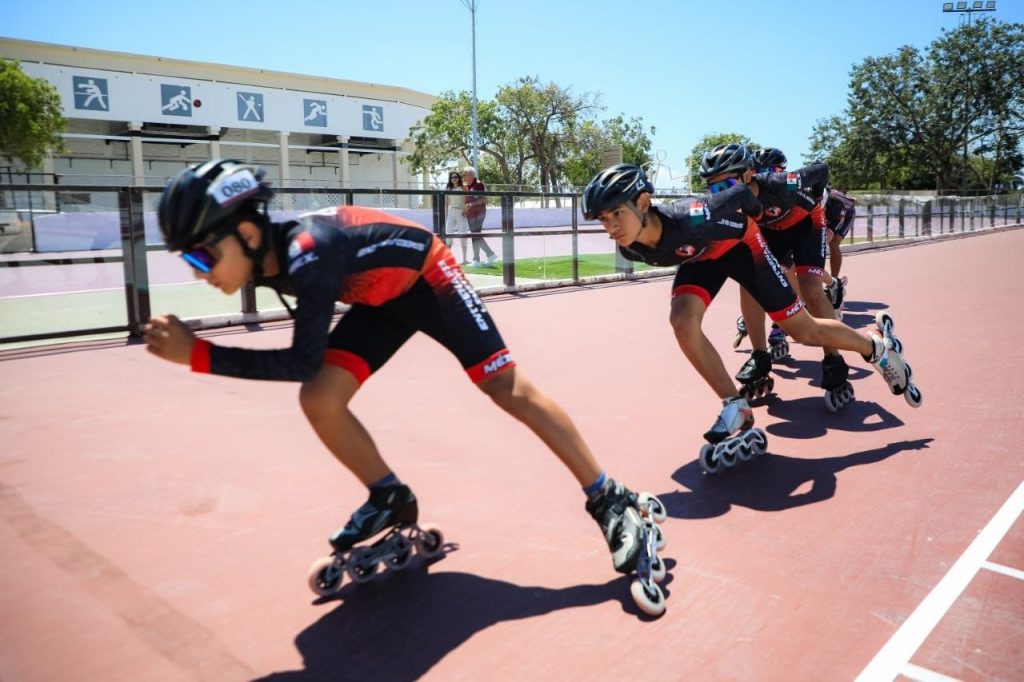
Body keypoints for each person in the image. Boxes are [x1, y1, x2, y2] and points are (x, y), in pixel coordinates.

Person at [143, 159, 660, 591]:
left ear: (248, 233)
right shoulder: (271, 257)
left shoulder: (308, 254)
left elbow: (301, 360)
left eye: (202, 255)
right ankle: (388, 496)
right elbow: (310, 368)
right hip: (378, 295)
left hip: (429, 277)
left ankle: (608, 495)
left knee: (504, 387)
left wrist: (198, 354)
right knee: (320, 398)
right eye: (188, 259)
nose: (198, 272)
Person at [581, 162, 921, 472]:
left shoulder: (692, 214)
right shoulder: (630, 246)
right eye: (603, 219)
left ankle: (875, 347)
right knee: (682, 321)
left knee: (803, 331)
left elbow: (742, 194)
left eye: (617, 213)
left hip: (744, 248)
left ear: (643, 203)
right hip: (703, 258)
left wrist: (758, 213)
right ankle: (736, 406)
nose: (611, 227)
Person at [823, 187, 856, 317]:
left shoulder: (835, 208)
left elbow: (825, 239)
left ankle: (834, 284)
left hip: (846, 214)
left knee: (833, 243)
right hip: (831, 210)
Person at [462, 166, 496, 266]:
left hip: (478, 214)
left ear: (471, 175)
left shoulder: (478, 185)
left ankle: (478, 259)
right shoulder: (468, 186)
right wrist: (465, 210)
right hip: (471, 214)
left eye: (465, 174)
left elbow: (484, 199)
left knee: (475, 235)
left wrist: (471, 204)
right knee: (475, 235)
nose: (463, 176)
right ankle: (488, 255)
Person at [444, 170, 470, 265]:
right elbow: (446, 203)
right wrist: (446, 214)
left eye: (456, 177)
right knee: (448, 234)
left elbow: (468, 199)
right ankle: (448, 259)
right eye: (452, 177)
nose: (454, 179)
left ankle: (465, 259)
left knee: (463, 234)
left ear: (459, 178)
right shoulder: (448, 188)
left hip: (461, 212)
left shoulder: (463, 187)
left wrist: (466, 209)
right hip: (451, 212)